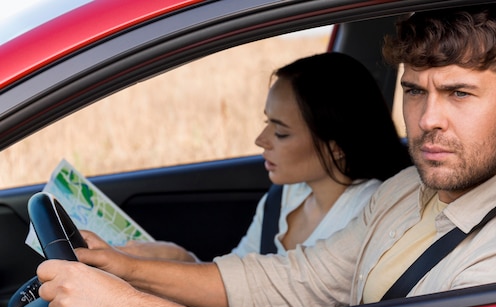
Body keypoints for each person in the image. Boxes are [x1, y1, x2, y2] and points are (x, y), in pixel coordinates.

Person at [37, 1, 496, 307]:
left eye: (460, 93)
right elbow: (299, 281)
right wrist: (126, 269)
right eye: (414, 91)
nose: (428, 119)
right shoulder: (408, 188)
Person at [117, 52, 412, 262]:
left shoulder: (369, 212)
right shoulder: (283, 197)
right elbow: (237, 281)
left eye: (281, 132)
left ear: (336, 145)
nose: (261, 140)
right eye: (266, 122)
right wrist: (184, 261)